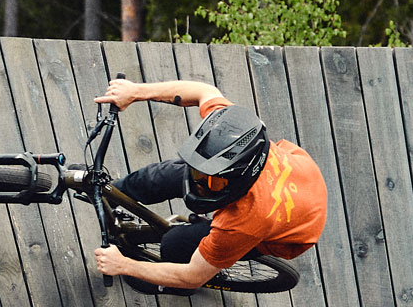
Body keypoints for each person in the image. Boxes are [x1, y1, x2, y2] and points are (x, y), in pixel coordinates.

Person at [90, 77, 327, 293]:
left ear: (238, 178)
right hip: (302, 175)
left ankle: (172, 289)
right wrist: (136, 92)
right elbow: (204, 91)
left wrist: (125, 266)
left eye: (212, 183)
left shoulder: (244, 223)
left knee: (176, 243)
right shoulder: (232, 134)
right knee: (160, 176)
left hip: (295, 227)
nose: (197, 184)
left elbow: (192, 276)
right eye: (199, 173)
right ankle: (111, 194)